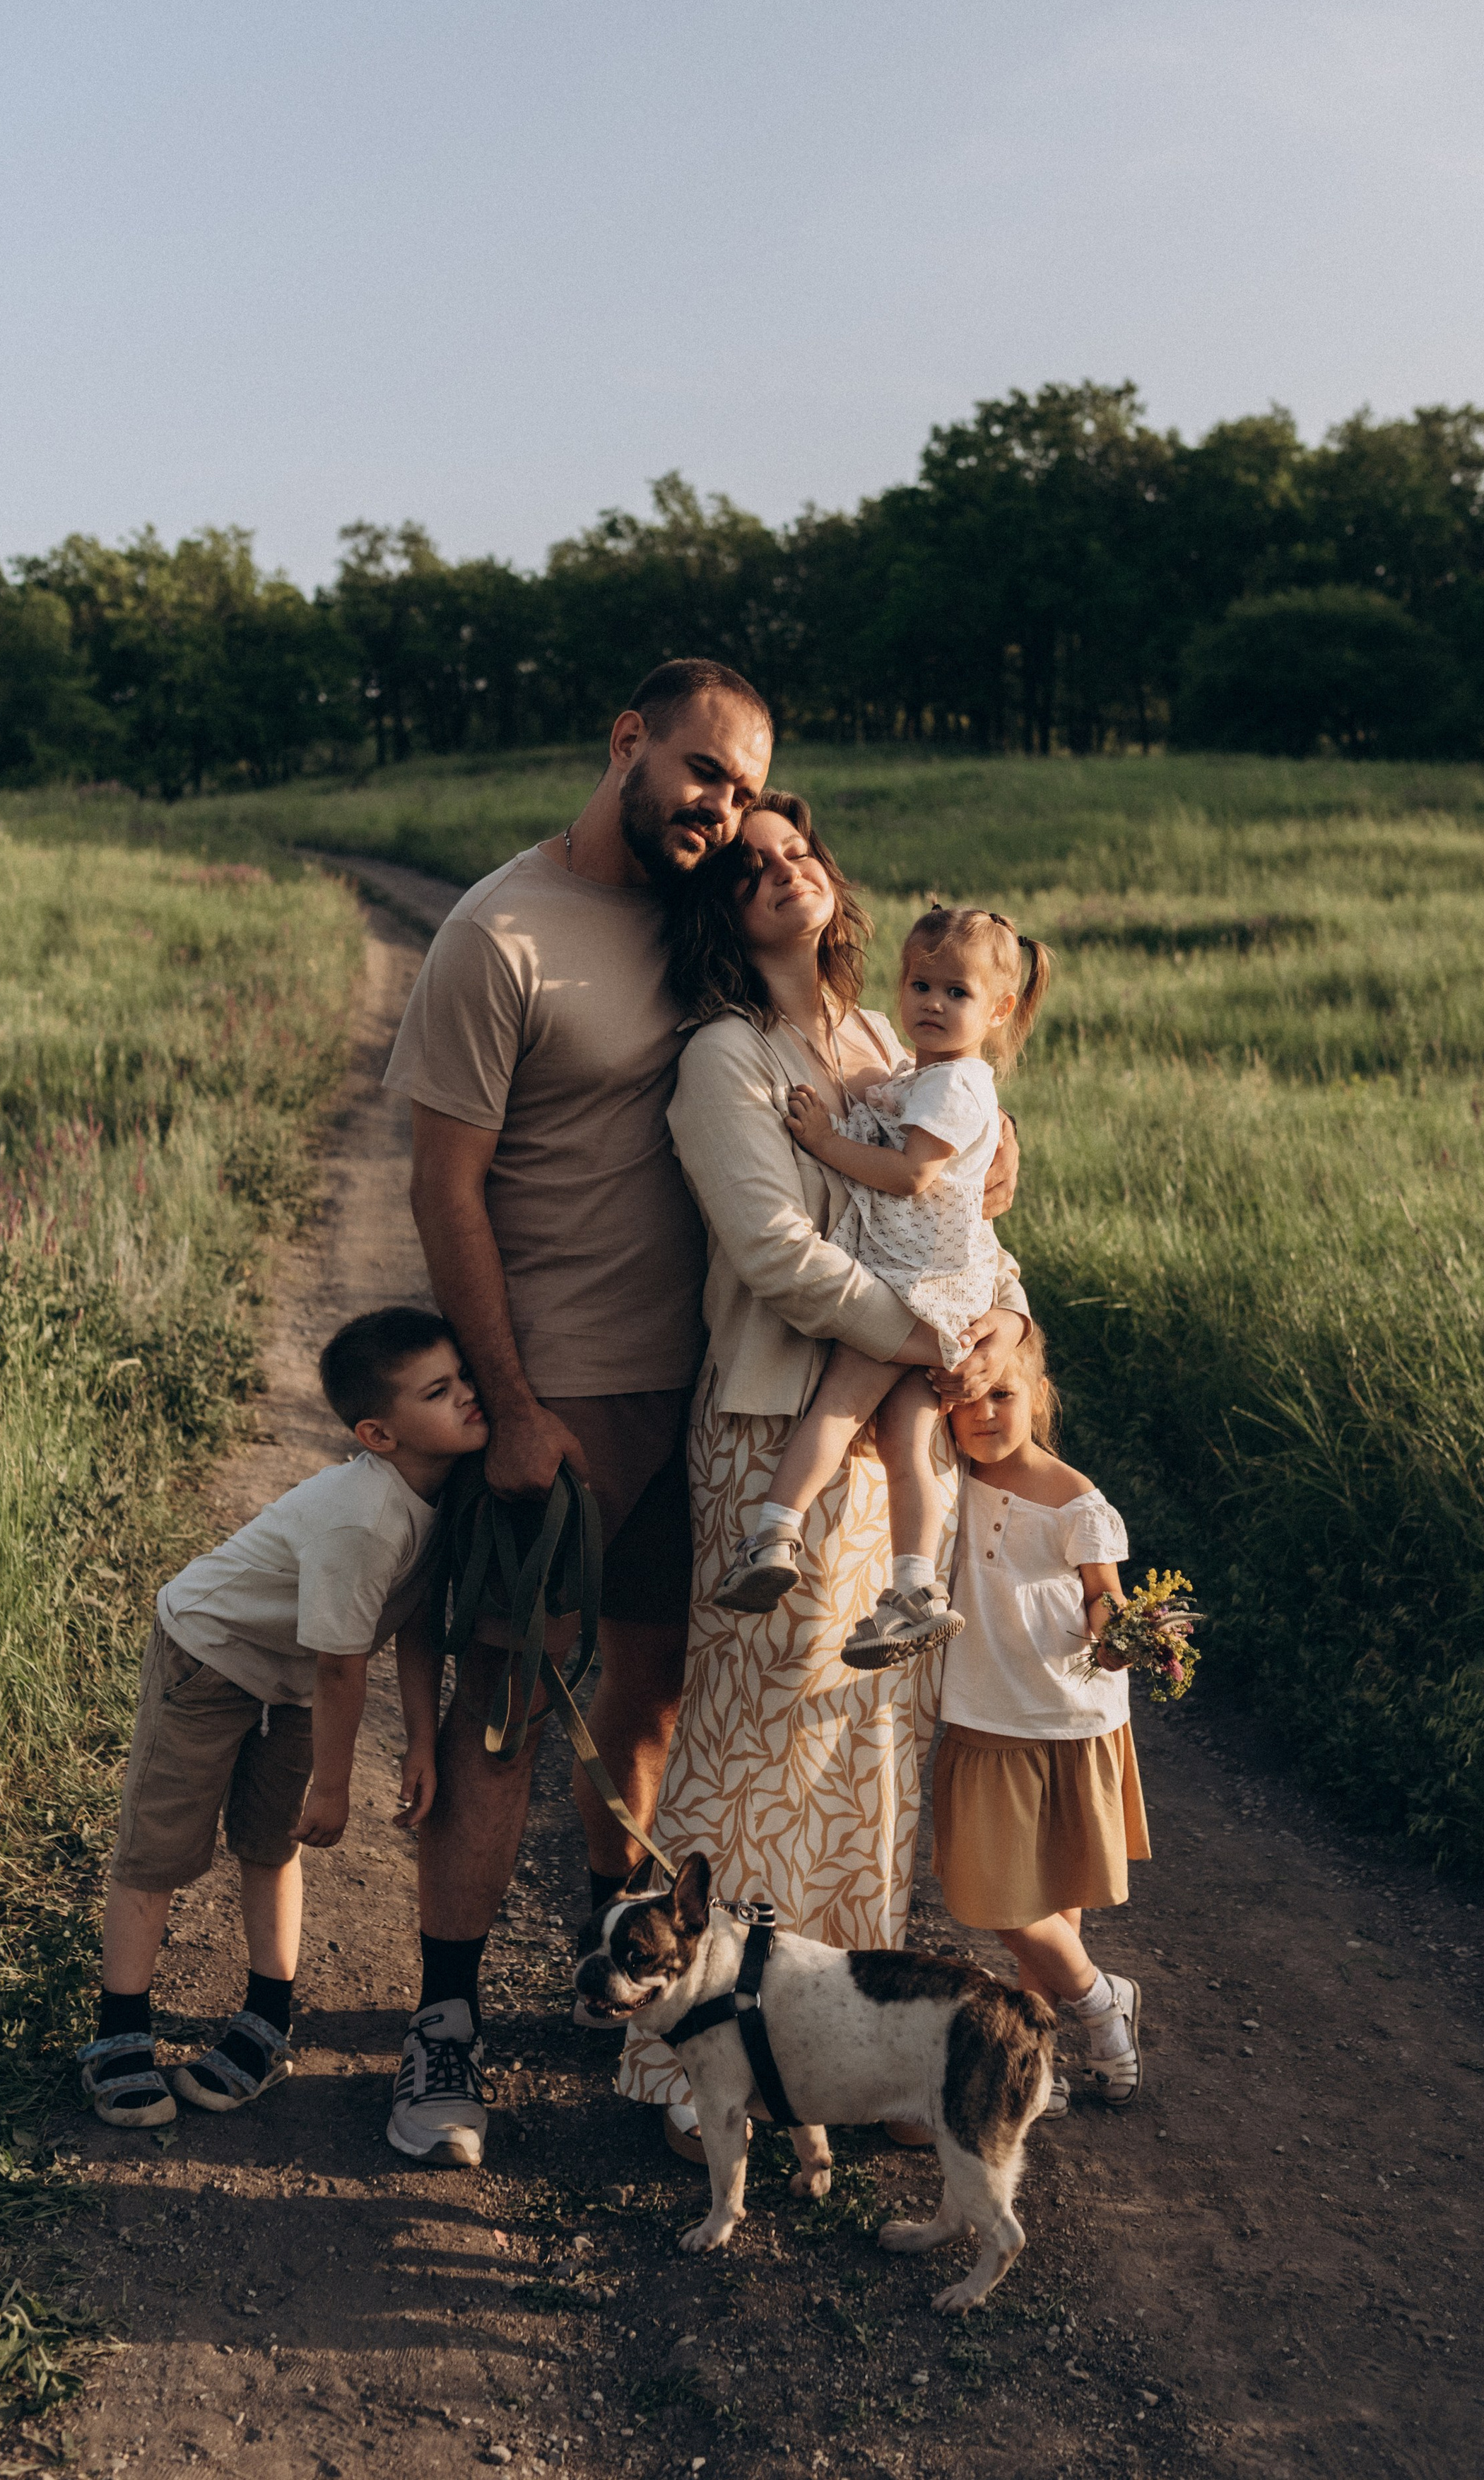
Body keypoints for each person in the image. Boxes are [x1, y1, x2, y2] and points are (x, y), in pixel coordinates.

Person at [382, 659, 776, 2170]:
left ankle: (633, 1988)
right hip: (558, 1398)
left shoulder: (704, 911)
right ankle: (442, 2027)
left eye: (739, 788)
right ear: (627, 742)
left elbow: (817, 1038)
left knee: (653, 1699)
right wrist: (517, 1406)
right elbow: (442, 1187)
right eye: (698, 772)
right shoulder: (500, 933)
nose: (718, 809)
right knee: (501, 1710)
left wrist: (966, 1148)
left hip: (709, 1389)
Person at [617, 791, 1030, 2161]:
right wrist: (926, 1335)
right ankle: (701, 2071)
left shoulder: (881, 1037)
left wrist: (998, 1329)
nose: (784, 872)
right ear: (718, 908)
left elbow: (958, 1217)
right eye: (751, 867)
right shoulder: (722, 1059)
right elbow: (780, 1260)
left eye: (801, 851)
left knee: (860, 1747)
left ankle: (841, 2063)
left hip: (896, 1424)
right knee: (759, 1744)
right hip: (775, 1421)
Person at [76, 1308, 479, 2129]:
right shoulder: (365, 1514)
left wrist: (422, 1738)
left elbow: (415, 1622)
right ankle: (118, 2033)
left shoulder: (448, 1492)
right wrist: (334, 1784)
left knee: (273, 1840)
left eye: (462, 1377)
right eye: (440, 1392)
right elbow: (341, 1666)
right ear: (379, 1433)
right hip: (213, 1654)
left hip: (294, 1675)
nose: (469, 1396)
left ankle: (266, 2018)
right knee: (159, 1846)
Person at [722, 900, 1052, 1671]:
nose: (933, 1004)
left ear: (999, 1009)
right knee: (905, 1442)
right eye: (920, 984)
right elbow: (891, 1099)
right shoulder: (932, 1077)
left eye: (957, 993)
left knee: (838, 1408)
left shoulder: (955, 1089)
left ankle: (773, 1530)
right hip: (943, 1290)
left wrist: (825, 1140)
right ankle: (915, 1592)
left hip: (912, 1287)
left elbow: (908, 1175)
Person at [931, 1322, 1148, 2113]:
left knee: (1051, 1900)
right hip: (983, 1715)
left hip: (1066, 1716)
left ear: (1036, 1397)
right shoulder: (949, 1479)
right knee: (991, 1896)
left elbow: (1103, 1596)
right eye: (967, 1400)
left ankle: (1037, 2059)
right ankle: (1102, 1998)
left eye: (1003, 1394)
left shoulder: (1076, 1498)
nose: (985, 1413)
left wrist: (1122, 1636)